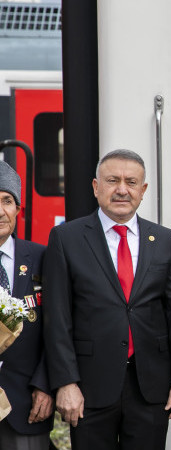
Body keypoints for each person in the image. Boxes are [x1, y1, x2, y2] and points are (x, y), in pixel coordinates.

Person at [42, 149, 171, 449]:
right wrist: (65, 382)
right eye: (113, 180)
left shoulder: (164, 239)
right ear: (95, 186)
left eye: (131, 182)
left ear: (143, 190)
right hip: (89, 388)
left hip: (150, 387)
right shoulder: (67, 238)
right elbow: (57, 316)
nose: (122, 189)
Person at [0, 160, 52, 449]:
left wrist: (45, 385)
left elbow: (57, 330)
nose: (0, 212)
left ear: (18, 209)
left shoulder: (43, 258)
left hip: (28, 403)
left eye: (7, 201)